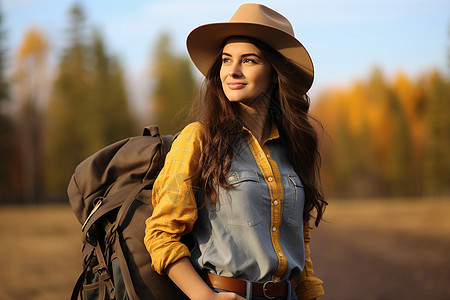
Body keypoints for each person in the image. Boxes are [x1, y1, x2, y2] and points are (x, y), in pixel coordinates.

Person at [144, 3, 327, 300]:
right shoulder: (199, 139)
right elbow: (162, 234)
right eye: (227, 60)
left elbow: (299, 246)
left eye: (249, 60)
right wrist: (206, 297)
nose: (233, 71)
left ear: (274, 71)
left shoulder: (292, 148)